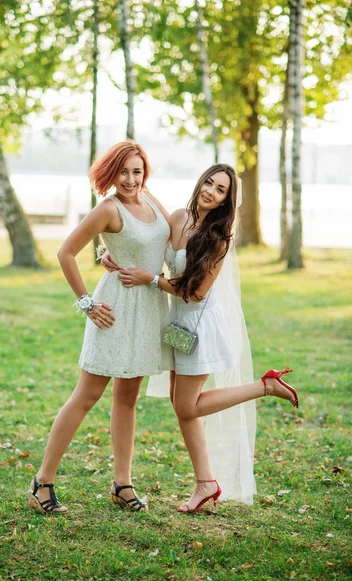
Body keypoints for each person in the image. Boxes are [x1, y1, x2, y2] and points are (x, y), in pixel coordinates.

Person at [105, 163, 299, 512]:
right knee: (184, 410)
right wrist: (110, 255)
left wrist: (149, 279)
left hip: (200, 325)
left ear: (227, 201)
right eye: (209, 182)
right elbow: (144, 240)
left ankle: (264, 387)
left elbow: (194, 293)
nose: (210, 191)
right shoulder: (178, 217)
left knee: (185, 405)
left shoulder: (218, 240)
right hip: (176, 326)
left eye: (220, 189)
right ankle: (206, 484)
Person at [28, 141, 173, 514]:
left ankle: (122, 484)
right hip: (114, 309)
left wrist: (110, 255)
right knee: (86, 396)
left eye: (137, 171)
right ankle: (41, 483)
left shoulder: (152, 201)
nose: (130, 179)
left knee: (127, 399)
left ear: (145, 172)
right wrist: (87, 303)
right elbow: (65, 253)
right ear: (112, 172)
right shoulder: (108, 208)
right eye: (123, 171)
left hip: (148, 309)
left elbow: (155, 243)